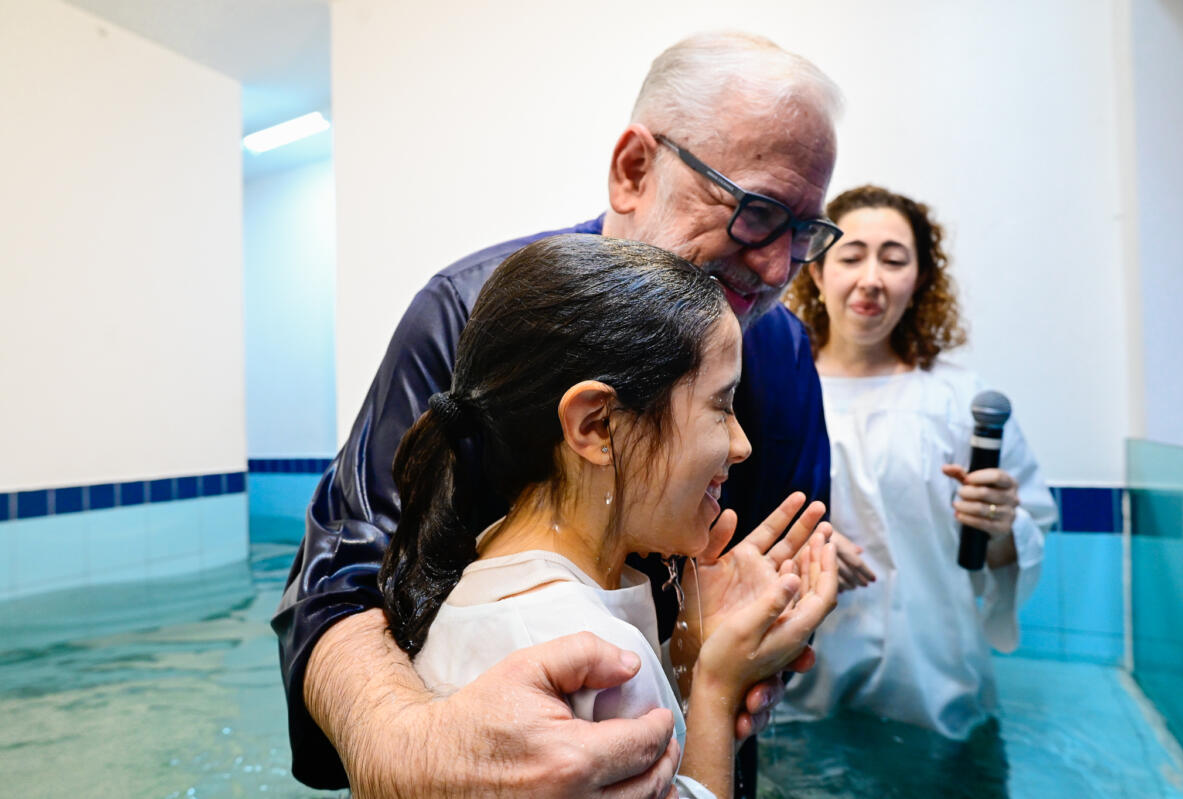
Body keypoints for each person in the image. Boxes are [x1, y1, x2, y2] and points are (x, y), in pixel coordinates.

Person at [273, 31, 847, 797]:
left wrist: (722, 666)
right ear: (634, 169)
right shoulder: (469, 313)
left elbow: (774, 575)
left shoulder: (781, 349)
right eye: (756, 212)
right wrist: (406, 745)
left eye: (804, 233)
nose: (778, 267)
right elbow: (343, 576)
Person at [384, 233, 839, 799]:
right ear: (596, 425)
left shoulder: (489, 566)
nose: (742, 444)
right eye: (721, 407)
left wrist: (687, 657)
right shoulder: (586, 654)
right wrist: (718, 690)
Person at [778, 184, 1058, 740]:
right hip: (801, 688)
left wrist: (1001, 526)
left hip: (938, 686)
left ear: (921, 278)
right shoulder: (778, 390)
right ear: (817, 272)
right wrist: (798, 544)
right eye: (851, 257)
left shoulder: (959, 401)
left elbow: (1022, 538)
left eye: (894, 260)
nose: (871, 280)